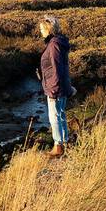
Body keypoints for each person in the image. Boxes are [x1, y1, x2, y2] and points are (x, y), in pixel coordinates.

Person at [37, 15, 75, 158]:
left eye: (42, 29)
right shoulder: (57, 42)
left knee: (54, 116)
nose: (41, 32)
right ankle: (64, 142)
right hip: (60, 85)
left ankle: (58, 145)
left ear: (49, 29)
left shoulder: (54, 44)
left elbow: (57, 68)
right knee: (60, 114)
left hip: (55, 86)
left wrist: (53, 88)